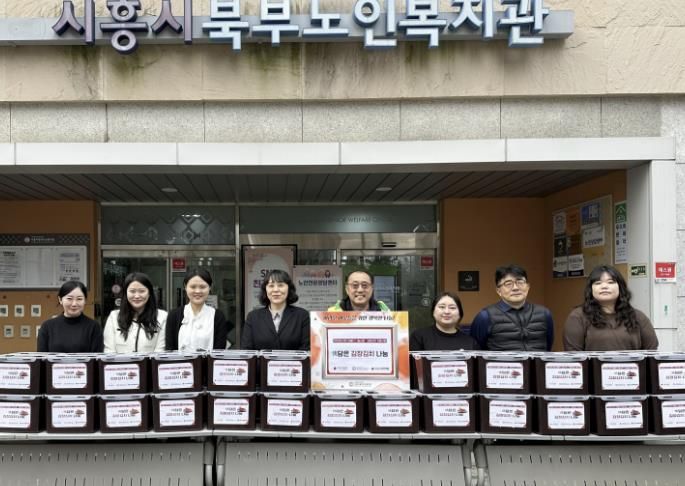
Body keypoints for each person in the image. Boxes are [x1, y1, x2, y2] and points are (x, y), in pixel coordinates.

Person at [563, 265, 658, 351]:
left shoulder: (638, 317)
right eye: (598, 283)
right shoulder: (578, 317)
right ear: (590, 289)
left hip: (633, 366)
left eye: (610, 282)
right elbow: (573, 354)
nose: (604, 286)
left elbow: (651, 351)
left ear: (620, 287)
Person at [470, 264, 554, 351]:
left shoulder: (544, 314)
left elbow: (548, 347)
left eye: (520, 282)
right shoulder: (485, 316)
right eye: (508, 284)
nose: (515, 288)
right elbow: (476, 351)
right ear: (498, 291)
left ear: (528, 287)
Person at [241, 269, 310, 350]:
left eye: (280, 285)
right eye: (271, 286)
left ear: (289, 288)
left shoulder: (302, 316)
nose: (276, 290)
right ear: (265, 290)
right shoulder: (253, 317)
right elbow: (247, 350)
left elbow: (306, 349)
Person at [166, 268, 228, 351]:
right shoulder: (174, 315)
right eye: (193, 287)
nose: (198, 291)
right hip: (180, 360)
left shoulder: (218, 316)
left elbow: (219, 351)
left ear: (209, 287)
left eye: (202, 287)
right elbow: (169, 350)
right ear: (185, 287)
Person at [103, 272, 167, 353]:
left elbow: (160, 351)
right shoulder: (114, 317)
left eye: (142, 291)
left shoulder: (162, 317)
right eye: (132, 291)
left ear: (149, 293)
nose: (137, 296)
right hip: (119, 361)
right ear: (126, 293)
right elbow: (109, 351)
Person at [37, 281, 103, 353]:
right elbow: (41, 358)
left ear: (85, 300)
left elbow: (97, 358)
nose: (74, 304)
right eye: (69, 298)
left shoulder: (94, 327)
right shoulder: (47, 327)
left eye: (79, 299)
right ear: (60, 300)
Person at [410, 292, 480, 351]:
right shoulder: (419, 337)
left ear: (460, 313)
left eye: (452, 308)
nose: (447, 312)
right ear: (433, 311)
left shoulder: (470, 342)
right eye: (442, 307)